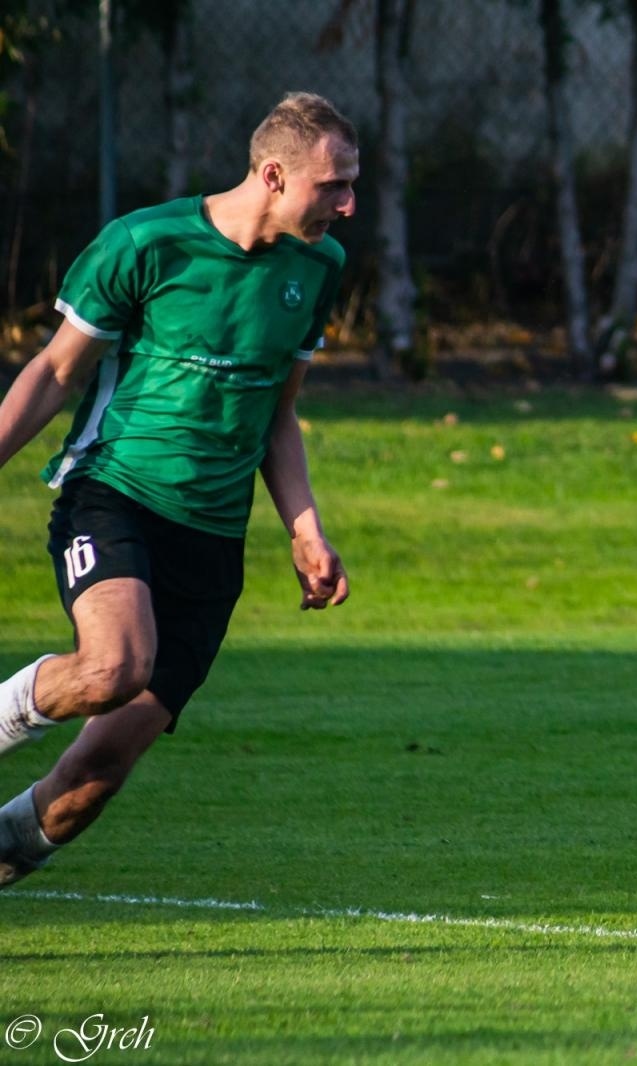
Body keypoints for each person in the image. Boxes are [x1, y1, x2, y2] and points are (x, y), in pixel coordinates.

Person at [0, 91, 358, 886]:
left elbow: (279, 413)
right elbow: (55, 372)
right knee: (112, 666)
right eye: (333, 186)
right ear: (272, 174)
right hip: (116, 494)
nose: (348, 203)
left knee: (93, 781)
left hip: (212, 543)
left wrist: (305, 530)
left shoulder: (319, 266)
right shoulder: (146, 244)